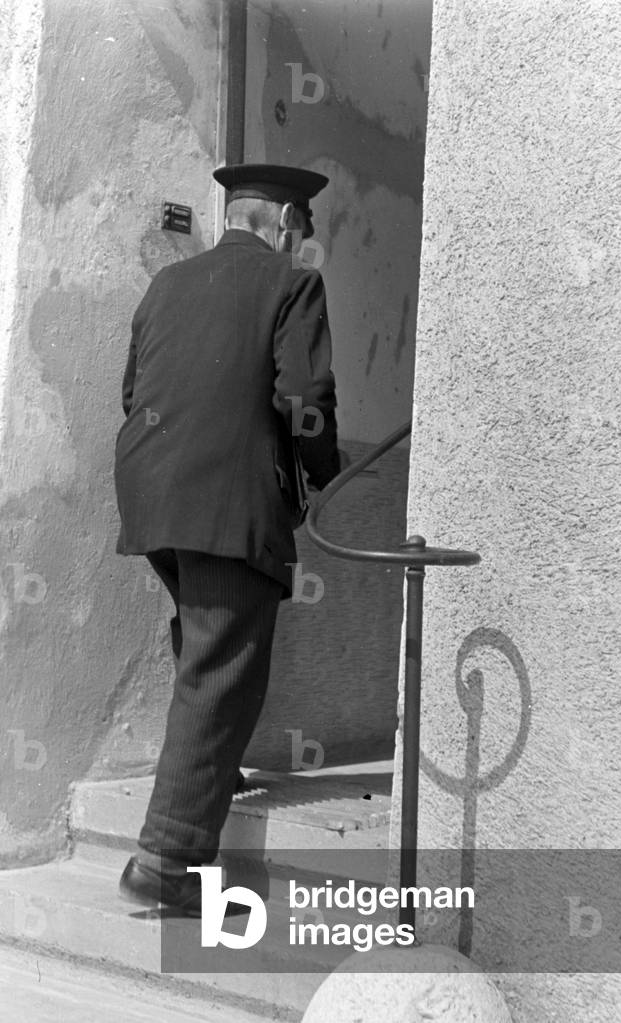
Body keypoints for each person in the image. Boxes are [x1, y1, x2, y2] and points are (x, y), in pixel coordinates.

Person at [114, 163, 344, 915]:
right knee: (221, 669)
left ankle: (213, 772)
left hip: (153, 495)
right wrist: (322, 473)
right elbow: (303, 397)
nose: (302, 242)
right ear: (281, 221)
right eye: (301, 229)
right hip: (227, 500)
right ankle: (166, 861)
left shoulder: (166, 285)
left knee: (203, 644)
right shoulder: (290, 282)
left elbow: (131, 392)